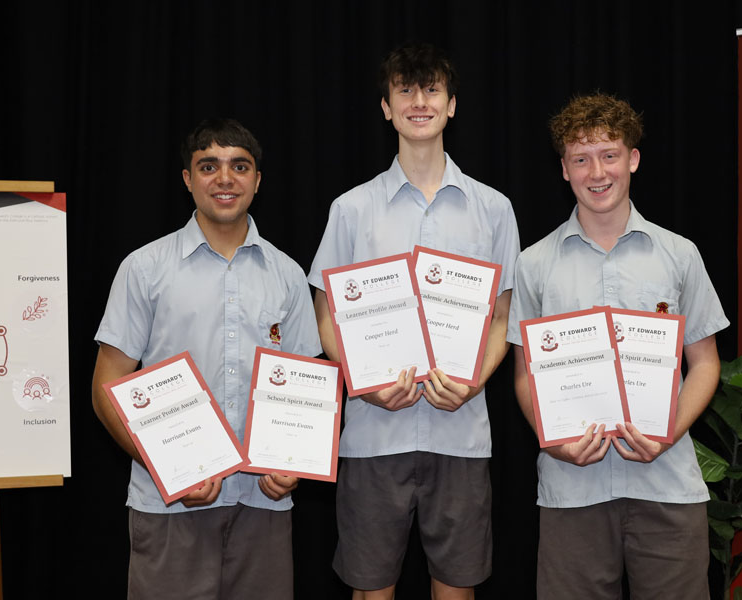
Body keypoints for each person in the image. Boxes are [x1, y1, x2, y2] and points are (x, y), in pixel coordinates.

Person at [308, 44, 520, 600]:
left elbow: (502, 315)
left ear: (452, 105)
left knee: (458, 589)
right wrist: (363, 382)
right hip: (373, 436)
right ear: (386, 107)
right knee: (370, 589)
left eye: (431, 89)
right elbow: (326, 313)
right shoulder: (351, 210)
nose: (418, 101)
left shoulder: (493, 209)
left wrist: (474, 381)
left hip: (461, 434)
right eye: (405, 89)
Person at [508, 93, 728, 599]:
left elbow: (705, 364)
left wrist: (668, 433)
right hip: (571, 490)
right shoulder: (534, 264)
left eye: (609, 155)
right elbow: (524, 375)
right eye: (581, 159)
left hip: (667, 485)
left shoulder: (680, 255)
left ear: (633, 159)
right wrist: (553, 440)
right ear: (564, 169)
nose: (596, 172)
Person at [92, 118, 321, 600]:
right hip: (169, 507)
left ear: (257, 180)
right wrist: (167, 468)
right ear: (187, 178)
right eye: (209, 166)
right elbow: (106, 388)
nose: (225, 178)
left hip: (263, 503)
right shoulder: (144, 269)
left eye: (240, 166)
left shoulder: (287, 274)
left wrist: (294, 465)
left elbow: (307, 390)